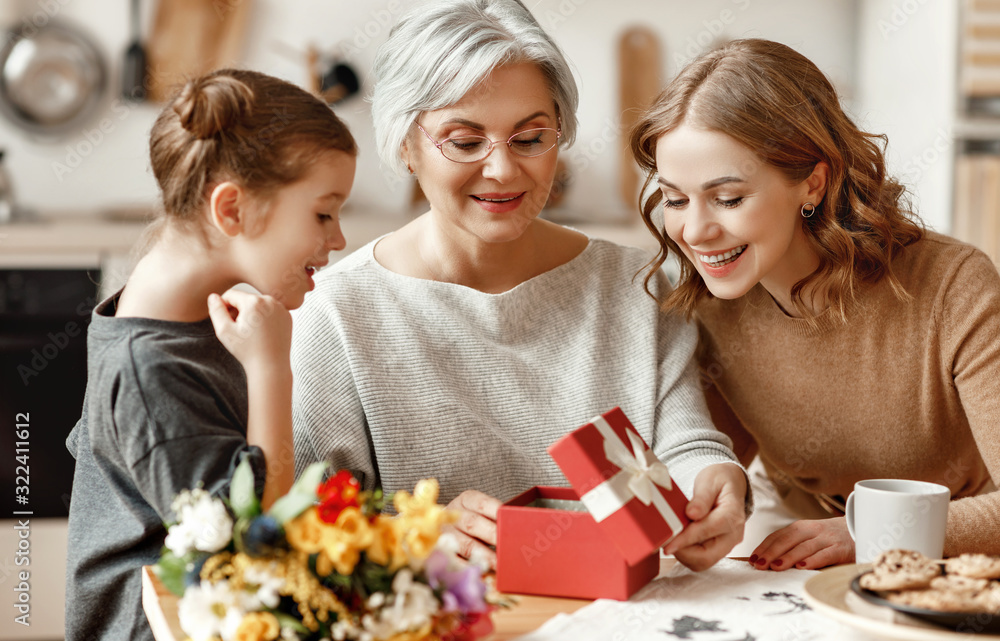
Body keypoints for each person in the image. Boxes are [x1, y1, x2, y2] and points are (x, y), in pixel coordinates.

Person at [292, 0, 749, 574]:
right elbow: (300, 521)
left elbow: (685, 445)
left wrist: (715, 481)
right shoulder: (336, 311)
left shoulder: (638, 285)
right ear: (405, 145)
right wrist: (412, 532)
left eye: (530, 138)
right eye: (464, 142)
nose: (504, 170)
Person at [629, 38, 1000, 570]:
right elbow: (718, 460)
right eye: (675, 198)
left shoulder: (954, 286)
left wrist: (871, 534)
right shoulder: (711, 305)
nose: (695, 230)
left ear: (813, 183)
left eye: (728, 198)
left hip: (961, 562)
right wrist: (717, 497)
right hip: (807, 560)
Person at [64, 69, 357, 641]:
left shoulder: (173, 313)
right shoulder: (150, 370)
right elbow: (254, 544)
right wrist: (271, 367)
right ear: (231, 211)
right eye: (323, 213)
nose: (338, 238)